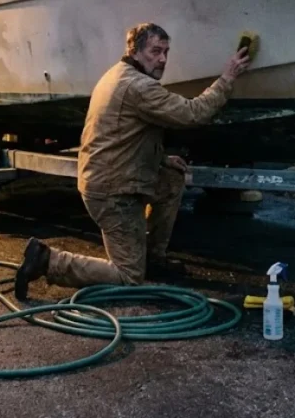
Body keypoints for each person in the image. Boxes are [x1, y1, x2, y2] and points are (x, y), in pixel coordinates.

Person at [14, 22, 251, 299]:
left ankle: (152, 258)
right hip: (113, 192)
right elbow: (192, 113)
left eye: (166, 51)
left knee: (172, 179)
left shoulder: (117, 75)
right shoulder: (138, 87)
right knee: (128, 277)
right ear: (135, 52)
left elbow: (121, 135)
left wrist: (161, 159)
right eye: (155, 51)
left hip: (112, 176)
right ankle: (47, 260)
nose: (162, 59)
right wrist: (227, 78)